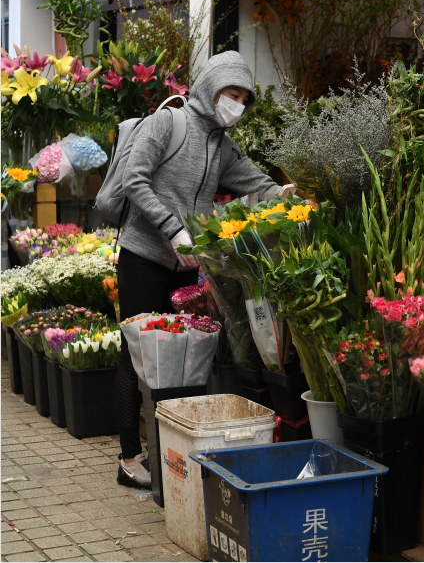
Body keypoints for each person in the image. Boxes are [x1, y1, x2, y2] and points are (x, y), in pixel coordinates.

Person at [115, 50, 293, 488]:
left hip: (183, 267)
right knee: (135, 355)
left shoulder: (221, 143)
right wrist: (174, 229)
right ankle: (128, 456)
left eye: (243, 98)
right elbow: (134, 179)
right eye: (231, 93)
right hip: (142, 258)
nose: (237, 104)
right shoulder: (167, 123)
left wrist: (288, 194)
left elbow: (257, 183)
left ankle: (169, 448)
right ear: (211, 88)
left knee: (176, 360)